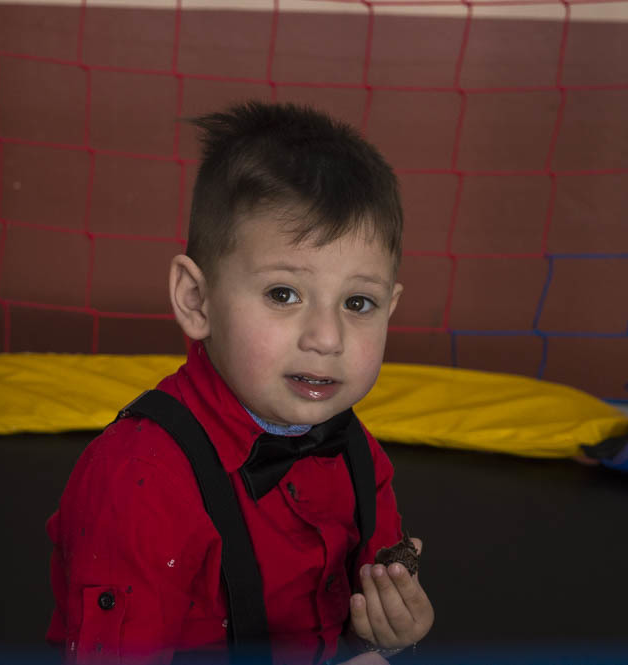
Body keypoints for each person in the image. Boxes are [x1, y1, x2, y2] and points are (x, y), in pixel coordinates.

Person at [46, 101, 434, 665]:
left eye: (358, 303)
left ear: (390, 309)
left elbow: (368, 628)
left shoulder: (358, 455)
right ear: (196, 300)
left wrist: (394, 633)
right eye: (283, 294)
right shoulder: (139, 483)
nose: (327, 338)